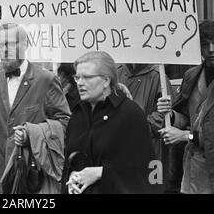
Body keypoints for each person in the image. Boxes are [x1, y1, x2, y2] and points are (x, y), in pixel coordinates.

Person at [0, 23, 71, 194]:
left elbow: (66, 124)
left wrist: (32, 134)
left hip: (30, 180)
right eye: (1, 45)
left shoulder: (46, 80)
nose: (5, 50)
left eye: (11, 43)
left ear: (26, 44)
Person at [63, 51, 158, 194]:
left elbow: (150, 170)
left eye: (87, 77)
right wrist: (72, 176)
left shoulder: (130, 113)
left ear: (106, 81)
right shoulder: (77, 113)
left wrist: (101, 172)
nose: (80, 83)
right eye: (77, 77)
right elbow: (71, 159)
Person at [158, 20, 214, 193]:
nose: (211, 49)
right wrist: (171, 114)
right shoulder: (191, 76)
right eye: (205, 45)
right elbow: (186, 117)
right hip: (193, 171)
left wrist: (186, 136)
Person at [117, 63, 179, 192]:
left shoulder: (159, 76)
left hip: (150, 149)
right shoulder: (116, 73)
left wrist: (134, 126)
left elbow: (164, 116)